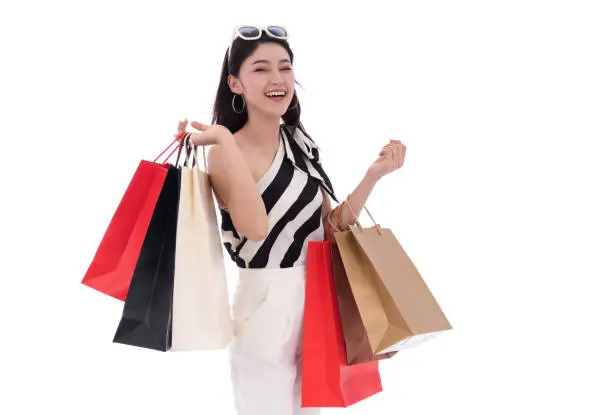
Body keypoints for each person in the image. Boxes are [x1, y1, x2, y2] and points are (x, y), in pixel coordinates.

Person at [175, 25, 406, 415]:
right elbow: (255, 229)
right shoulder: (224, 151)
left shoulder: (297, 140)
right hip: (265, 299)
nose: (278, 79)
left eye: (285, 67)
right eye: (261, 69)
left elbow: (330, 226)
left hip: (314, 291)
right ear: (235, 83)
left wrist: (373, 175)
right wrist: (227, 142)